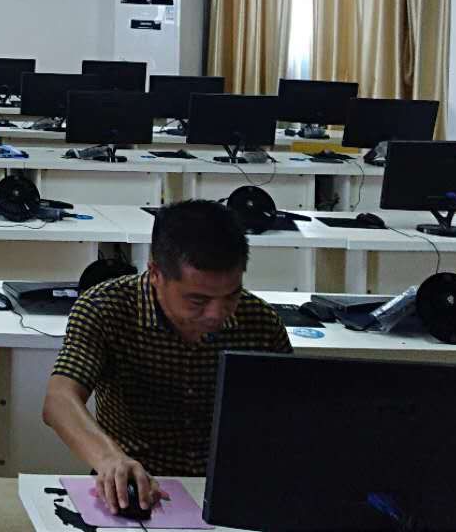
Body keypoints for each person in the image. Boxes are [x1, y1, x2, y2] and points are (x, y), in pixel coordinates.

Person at [41, 199, 292, 515]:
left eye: (231, 296)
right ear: (156, 273)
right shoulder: (104, 308)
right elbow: (60, 400)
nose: (217, 314)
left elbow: (288, 417)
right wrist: (109, 458)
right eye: (198, 300)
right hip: (134, 481)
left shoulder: (260, 321)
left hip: (228, 485)